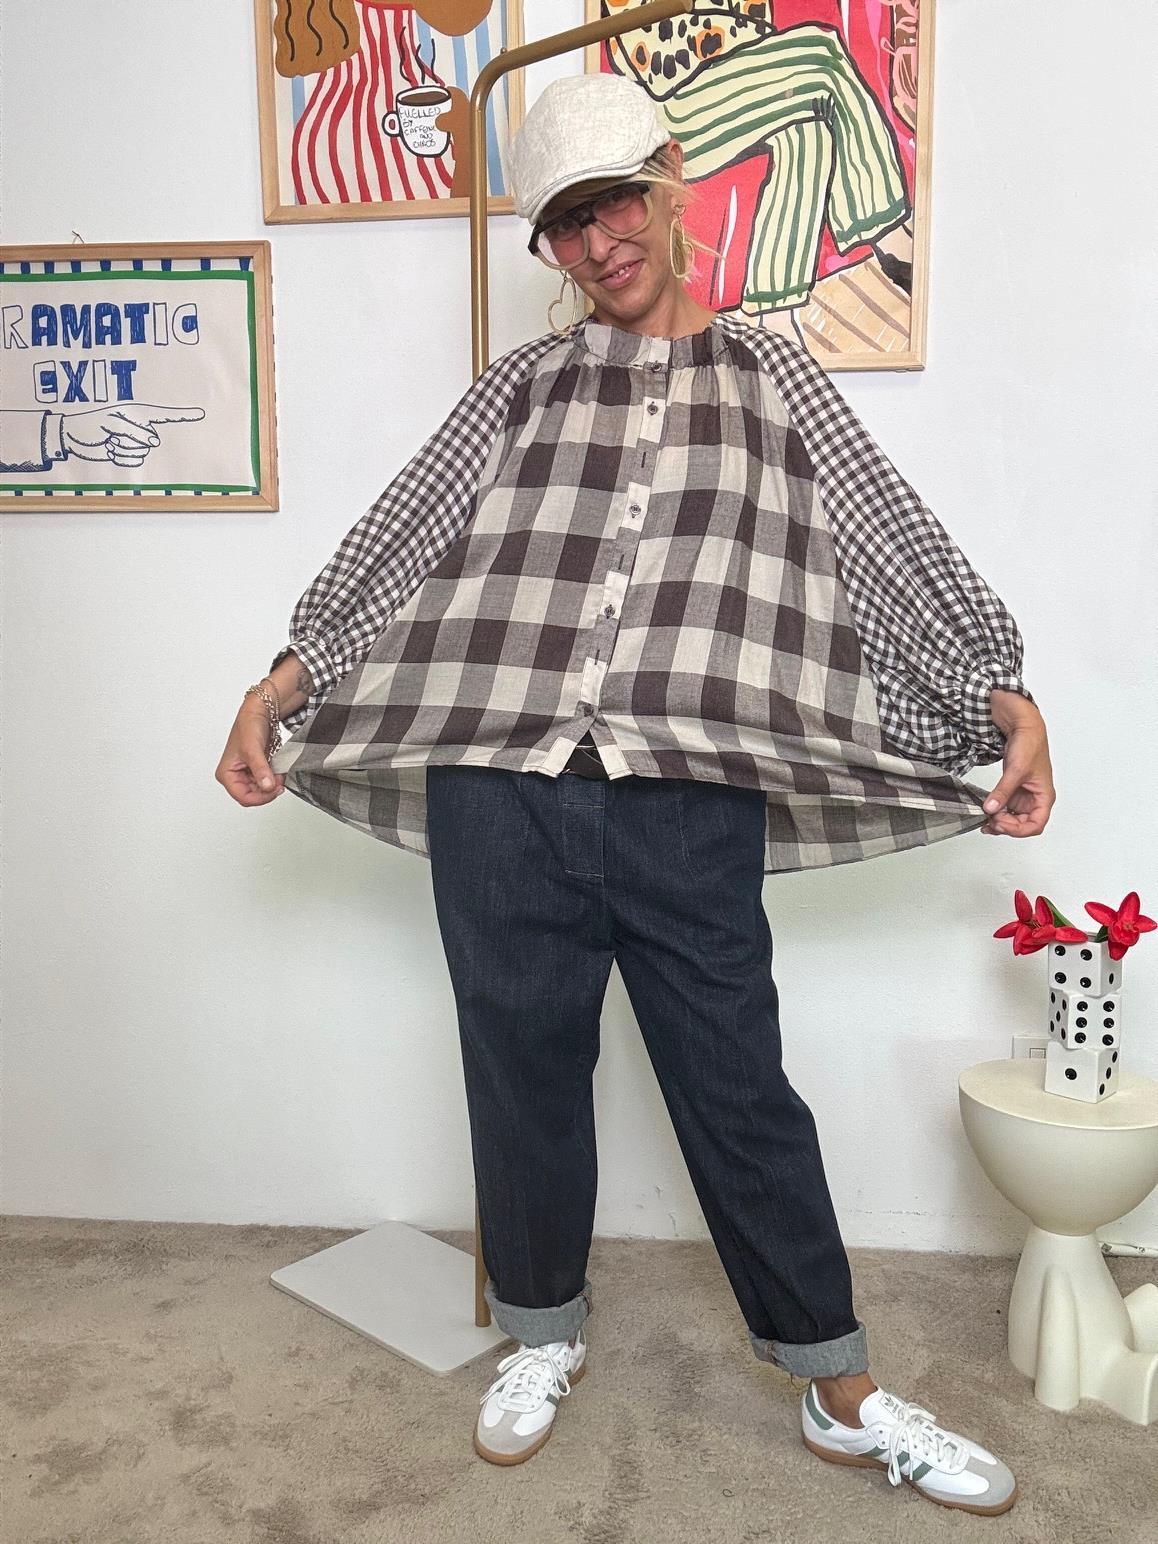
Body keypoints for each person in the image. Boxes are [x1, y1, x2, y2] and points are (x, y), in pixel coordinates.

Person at [217, 71, 1053, 1513]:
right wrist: (282, 683)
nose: (597, 245)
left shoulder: (773, 381)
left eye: (613, 206)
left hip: (686, 785)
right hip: (499, 780)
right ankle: (541, 1334)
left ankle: (838, 1384)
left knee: (736, 1084)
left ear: (668, 182)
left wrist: (999, 694)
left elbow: (883, 542)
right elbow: (403, 539)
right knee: (520, 1069)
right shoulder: (519, 388)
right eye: (564, 225)